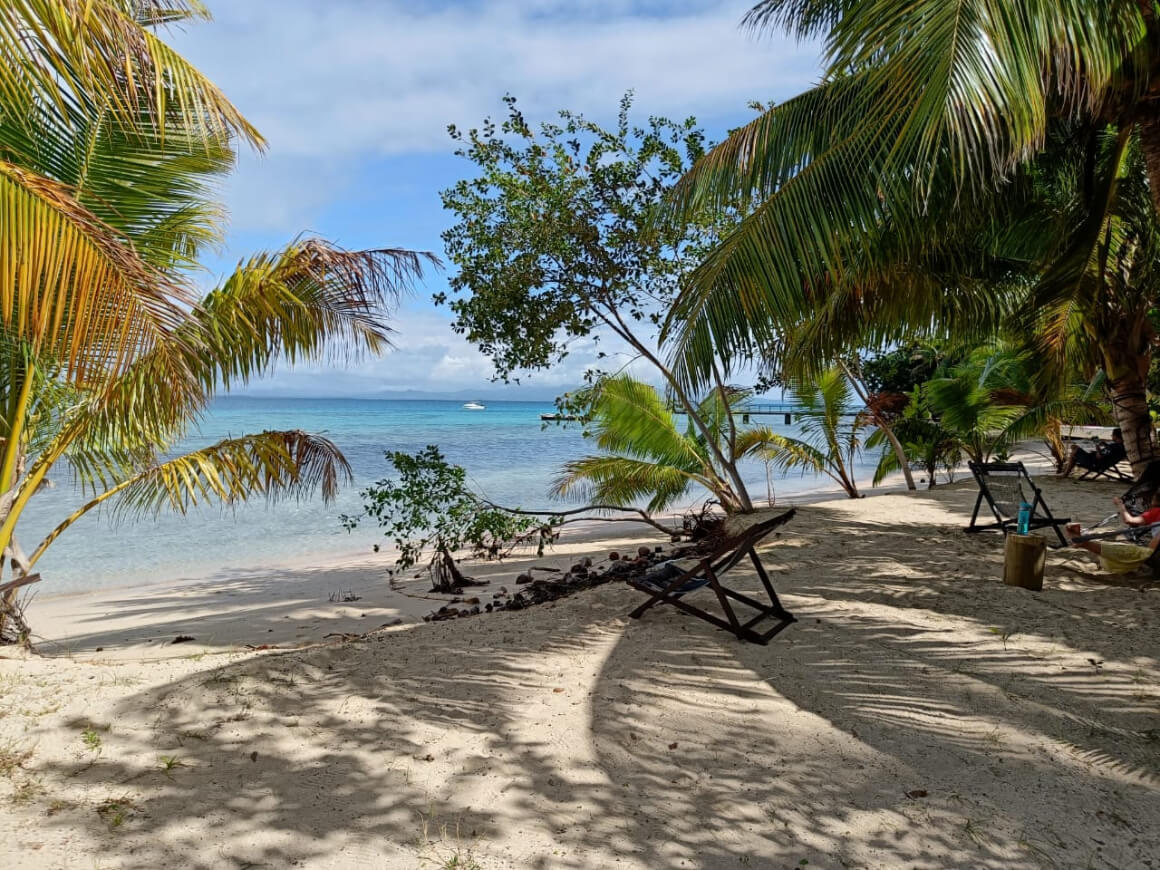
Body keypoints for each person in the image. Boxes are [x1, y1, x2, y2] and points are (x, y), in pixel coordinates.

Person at [1060, 428, 1126, 478]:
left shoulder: (1113, 447)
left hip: (1094, 463)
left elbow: (1099, 456)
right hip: (1098, 462)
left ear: (1116, 436)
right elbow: (1109, 453)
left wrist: (1097, 447)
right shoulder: (1121, 446)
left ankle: (1065, 474)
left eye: (1112, 435)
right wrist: (1104, 444)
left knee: (1074, 448)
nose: (1111, 436)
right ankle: (1066, 473)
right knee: (1074, 451)